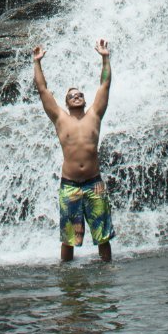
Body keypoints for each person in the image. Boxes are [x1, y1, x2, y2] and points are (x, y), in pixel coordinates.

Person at [32, 38, 114, 262]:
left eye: (79, 94)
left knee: (102, 235)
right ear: (66, 102)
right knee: (68, 239)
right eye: (71, 95)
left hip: (94, 183)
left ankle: (106, 274)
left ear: (85, 100)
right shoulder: (60, 118)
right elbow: (42, 89)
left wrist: (105, 58)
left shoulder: (95, 115)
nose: (76, 96)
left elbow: (104, 85)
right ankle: (67, 277)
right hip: (69, 185)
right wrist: (37, 62)